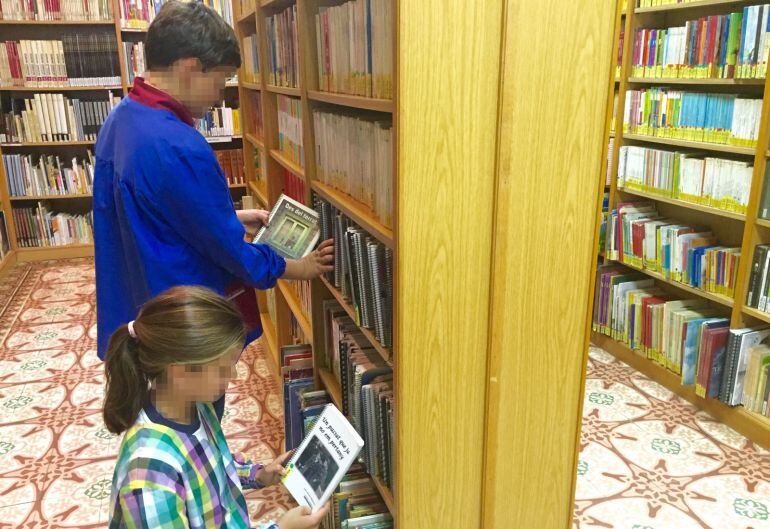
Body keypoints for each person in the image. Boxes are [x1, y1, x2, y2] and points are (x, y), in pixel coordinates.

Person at [93, 0, 333, 366]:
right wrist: (296, 267)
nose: (220, 95)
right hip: (188, 324)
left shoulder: (121, 120)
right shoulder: (179, 145)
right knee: (195, 415)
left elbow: (156, 214)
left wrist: (231, 218)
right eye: (219, 80)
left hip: (146, 308)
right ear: (191, 68)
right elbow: (230, 253)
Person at [104, 285, 328, 529]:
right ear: (180, 372)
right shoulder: (149, 474)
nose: (232, 375)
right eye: (223, 369)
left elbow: (211, 467)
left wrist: (258, 474)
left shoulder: (195, 404)